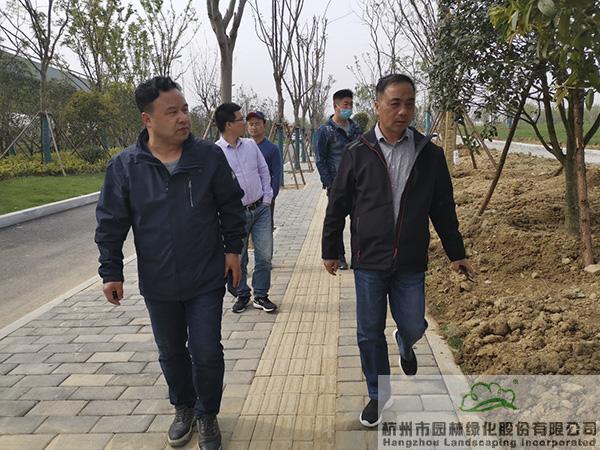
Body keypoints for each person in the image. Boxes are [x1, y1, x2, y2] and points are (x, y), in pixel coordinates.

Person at [95, 76, 245, 450]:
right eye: (172, 112)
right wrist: (111, 271)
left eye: (185, 109)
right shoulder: (125, 166)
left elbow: (231, 205)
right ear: (148, 119)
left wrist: (233, 251)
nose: (183, 118)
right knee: (172, 352)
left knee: (206, 350)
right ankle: (184, 407)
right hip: (158, 280)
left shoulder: (207, 157)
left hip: (205, 274)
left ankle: (207, 413)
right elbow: (111, 223)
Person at [321, 74, 475, 428]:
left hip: (410, 259)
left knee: (413, 323)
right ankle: (379, 394)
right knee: (368, 332)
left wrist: (456, 253)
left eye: (409, 103)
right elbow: (337, 205)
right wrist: (331, 249)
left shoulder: (429, 155)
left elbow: (443, 208)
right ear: (377, 106)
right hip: (369, 260)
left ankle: (406, 340)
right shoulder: (357, 152)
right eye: (395, 103)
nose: (403, 111)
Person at [214, 103, 278, 314]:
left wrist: (267, 198)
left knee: (265, 255)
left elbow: (263, 170)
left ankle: (261, 294)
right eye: (241, 120)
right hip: (236, 215)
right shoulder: (216, 152)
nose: (245, 124)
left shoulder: (250, 145)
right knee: (238, 257)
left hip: (260, 209)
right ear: (229, 125)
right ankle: (242, 294)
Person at [315, 89, 363, 270]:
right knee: (336, 221)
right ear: (336, 106)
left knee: (359, 221)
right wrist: (330, 183)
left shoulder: (356, 128)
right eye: (345, 105)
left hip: (358, 184)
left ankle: (358, 255)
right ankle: (339, 256)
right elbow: (320, 159)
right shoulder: (325, 131)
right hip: (336, 184)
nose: (349, 108)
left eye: (351, 104)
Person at [246, 111, 282, 230]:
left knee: (265, 234)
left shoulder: (272, 149)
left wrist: (270, 197)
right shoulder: (243, 147)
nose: (253, 127)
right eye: (251, 124)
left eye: (257, 124)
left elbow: (276, 175)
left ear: (264, 125)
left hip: (265, 200)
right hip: (247, 201)